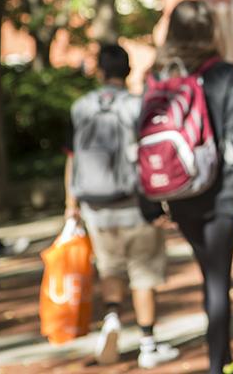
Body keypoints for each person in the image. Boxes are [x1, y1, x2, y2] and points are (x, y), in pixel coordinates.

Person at [150, 0, 233, 374]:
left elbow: (142, 133)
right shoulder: (223, 74)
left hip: (176, 190)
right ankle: (218, 363)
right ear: (210, 30)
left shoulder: (157, 75)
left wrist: (149, 201)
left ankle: (222, 360)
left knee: (209, 273)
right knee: (218, 278)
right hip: (221, 190)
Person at [64, 44, 179, 368]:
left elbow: (71, 158)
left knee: (110, 269)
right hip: (136, 204)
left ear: (99, 71)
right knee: (143, 275)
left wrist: (70, 203)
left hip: (95, 207)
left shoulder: (80, 107)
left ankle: (112, 319)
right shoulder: (137, 105)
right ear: (127, 71)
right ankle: (148, 343)